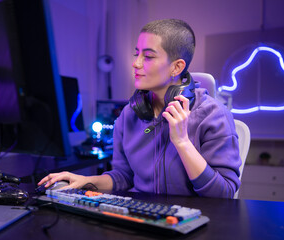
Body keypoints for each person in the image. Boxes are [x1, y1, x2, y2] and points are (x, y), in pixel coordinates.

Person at [38, 19, 241, 198]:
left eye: (149, 56)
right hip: (141, 217)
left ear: (176, 67)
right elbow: (123, 177)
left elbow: (223, 193)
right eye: (137, 54)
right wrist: (84, 181)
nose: (136, 63)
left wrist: (182, 142)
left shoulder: (214, 115)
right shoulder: (129, 114)